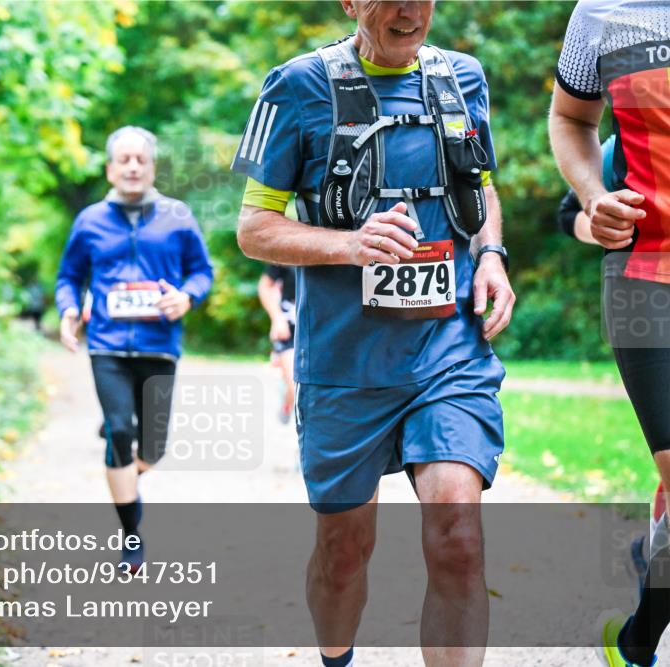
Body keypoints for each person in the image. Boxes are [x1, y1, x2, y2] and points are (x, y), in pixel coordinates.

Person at [232, 2, 514, 665]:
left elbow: (482, 189)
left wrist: (492, 255)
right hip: (344, 362)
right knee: (343, 552)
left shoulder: (464, 78)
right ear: (351, 2)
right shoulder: (294, 85)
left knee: (458, 538)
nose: (410, 9)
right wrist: (350, 243)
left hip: (448, 350)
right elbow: (253, 228)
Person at [548, 2, 669, 665]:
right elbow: (570, 118)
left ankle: (637, 634)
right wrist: (595, 197)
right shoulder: (605, 12)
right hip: (648, 272)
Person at [55, 126, 213, 572]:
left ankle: (120, 462)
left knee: (154, 448)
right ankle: (131, 538)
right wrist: (68, 310)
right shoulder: (89, 221)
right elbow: (69, 278)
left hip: (160, 346)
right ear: (109, 168)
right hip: (107, 345)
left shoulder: (178, 216)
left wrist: (187, 297)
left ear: (151, 168)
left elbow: (202, 272)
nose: (132, 167)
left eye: (140, 160)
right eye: (123, 160)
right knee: (122, 432)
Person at [258, 264, 297, 423]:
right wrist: (277, 318)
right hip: (289, 328)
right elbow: (265, 286)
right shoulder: (289, 247)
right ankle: (303, 445)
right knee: (297, 387)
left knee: (308, 390)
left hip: (320, 328)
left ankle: (287, 400)